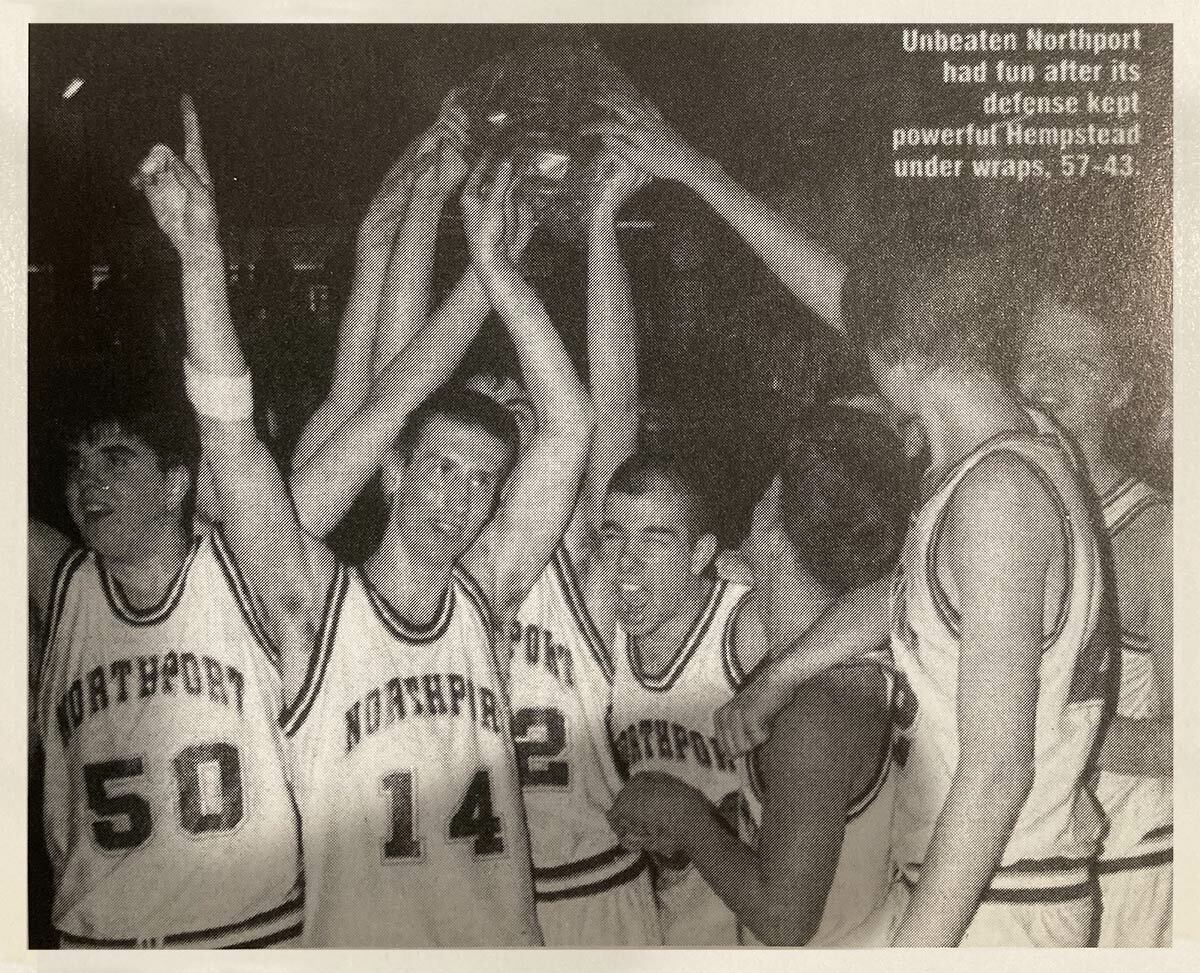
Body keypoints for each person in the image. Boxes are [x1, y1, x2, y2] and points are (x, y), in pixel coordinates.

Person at [136, 97, 591, 946]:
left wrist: (498, 270)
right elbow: (233, 444)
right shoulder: (313, 599)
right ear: (392, 473)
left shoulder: (485, 595)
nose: (456, 499)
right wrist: (201, 256)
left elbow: (569, 425)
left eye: (482, 482)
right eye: (441, 469)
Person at [29, 281, 303, 945]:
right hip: (101, 940)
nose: (87, 481)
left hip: (251, 933)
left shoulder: (243, 571)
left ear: (175, 483)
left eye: (115, 459)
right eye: (78, 463)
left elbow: (242, 440)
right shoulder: (61, 588)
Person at [604, 406, 914, 946]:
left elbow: (784, 920)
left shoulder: (819, 708)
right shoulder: (805, 663)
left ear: (775, 519)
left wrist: (688, 816)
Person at [1015, 295, 1172, 946]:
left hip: (1128, 871)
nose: (1047, 379)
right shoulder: (1003, 500)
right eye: (1033, 358)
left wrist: (1036, 720)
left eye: (1076, 362)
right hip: (1019, 867)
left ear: (1122, 388)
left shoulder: (1159, 533)